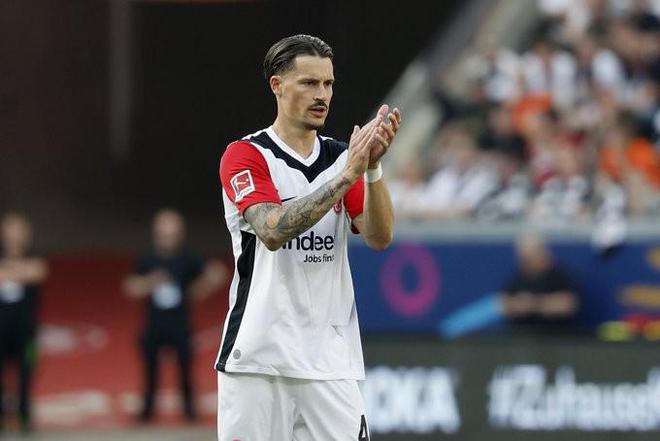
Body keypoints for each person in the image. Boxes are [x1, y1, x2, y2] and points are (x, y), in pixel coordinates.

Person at [216, 34, 399, 441]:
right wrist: (348, 174)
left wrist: (372, 169)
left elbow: (380, 236)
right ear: (277, 86)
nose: (322, 95)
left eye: (328, 84)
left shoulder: (341, 157)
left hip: (329, 362)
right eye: (309, 83)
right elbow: (272, 229)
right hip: (258, 362)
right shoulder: (246, 155)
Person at [123, 208, 226, 422]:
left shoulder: (188, 257)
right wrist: (151, 282)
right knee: (150, 368)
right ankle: (147, 410)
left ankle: (189, 410)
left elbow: (214, 274)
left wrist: (198, 289)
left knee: (185, 367)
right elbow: (130, 286)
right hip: (154, 321)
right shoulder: (148, 258)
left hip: (180, 321)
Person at [0, 212, 48, 433]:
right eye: (10, 229)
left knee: (27, 369)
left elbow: (37, 272)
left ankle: (24, 415)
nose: (14, 234)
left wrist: (9, 271)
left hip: (27, 328)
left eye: (18, 229)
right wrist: (19, 271)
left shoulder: (35, 255)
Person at [501, 233, 579, 334]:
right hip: (521, 336)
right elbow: (504, 305)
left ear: (541, 253)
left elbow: (568, 305)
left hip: (555, 335)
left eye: (529, 257)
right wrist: (518, 305)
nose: (526, 262)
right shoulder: (517, 277)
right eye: (523, 258)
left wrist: (534, 303)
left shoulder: (559, 275)